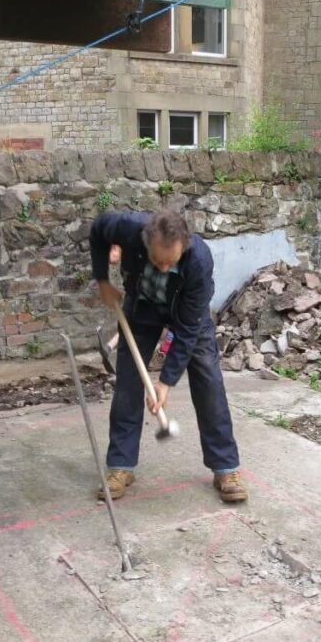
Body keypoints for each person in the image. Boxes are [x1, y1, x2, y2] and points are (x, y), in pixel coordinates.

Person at [89, 210, 248, 503]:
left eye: (170, 262)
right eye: (156, 261)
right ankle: (120, 466)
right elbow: (98, 230)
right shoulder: (127, 228)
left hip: (188, 314)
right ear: (144, 243)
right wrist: (102, 281)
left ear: (184, 246)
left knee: (208, 380)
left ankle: (225, 467)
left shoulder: (199, 260)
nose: (163, 268)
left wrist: (165, 381)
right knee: (128, 382)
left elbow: (187, 331)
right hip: (143, 307)